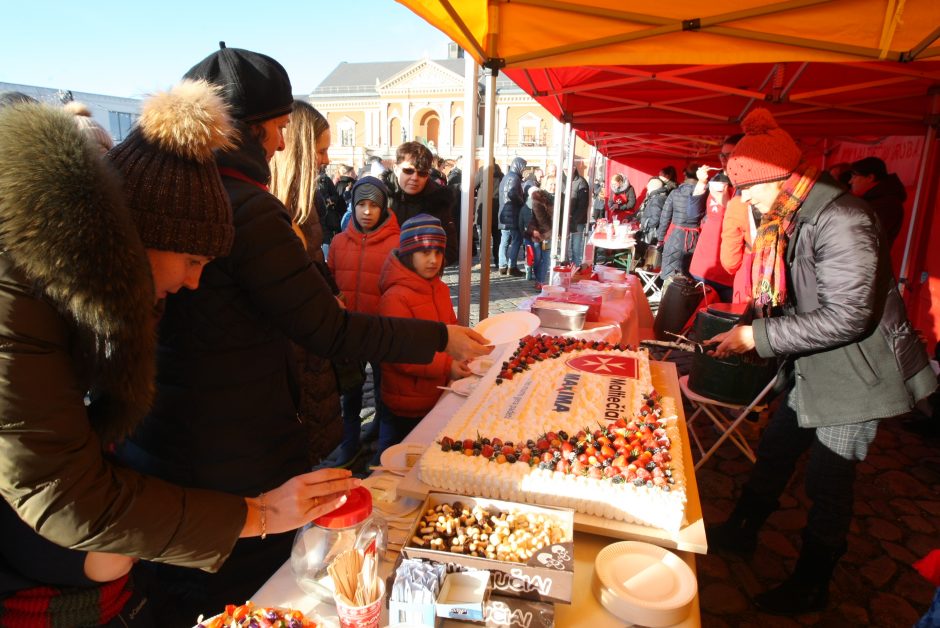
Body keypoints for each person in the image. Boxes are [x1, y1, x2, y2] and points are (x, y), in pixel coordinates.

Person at [116, 44, 490, 622]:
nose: (284, 143)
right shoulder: (246, 208)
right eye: (278, 128)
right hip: (228, 447)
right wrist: (439, 337)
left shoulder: (169, 192)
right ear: (251, 128)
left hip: (163, 437)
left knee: (182, 586)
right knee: (240, 600)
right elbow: (328, 328)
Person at [0, 81, 357, 626]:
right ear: (138, 237)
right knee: (105, 559)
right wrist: (259, 513)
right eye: (191, 259)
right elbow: (61, 494)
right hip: (39, 540)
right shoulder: (18, 299)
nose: (194, 282)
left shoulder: (85, 288)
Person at [707, 108, 935, 615]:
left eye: (746, 187)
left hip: (857, 373)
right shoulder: (790, 215)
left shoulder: (845, 218)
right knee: (775, 451)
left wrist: (757, 337)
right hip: (811, 365)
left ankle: (813, 583)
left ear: (777, 178)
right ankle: (741, 532)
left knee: (828, 482)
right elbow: (787, 292)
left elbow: (849, 316)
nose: (742, 198)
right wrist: (747, 322)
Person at [269, 100, 344, 467]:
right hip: (287, 375)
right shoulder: (268, 213)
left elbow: (316, 264)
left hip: (312, 360)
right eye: (321, 150)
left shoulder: (303, 206)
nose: (326, 160)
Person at [377, 215, 471, 456]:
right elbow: (402, 354)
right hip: (407, 402)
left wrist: (464, 350)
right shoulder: (395, 296)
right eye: (425, 252)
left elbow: (451, 328)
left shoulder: (439, 288)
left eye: (438, 253)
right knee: (397, 457)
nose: (433, 260)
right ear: (409, 254)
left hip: (435, 395)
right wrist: (446, 366)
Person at [326, 176, 400, 467]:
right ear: (353, 206)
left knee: (384, 388)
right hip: (349, 330)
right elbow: (330, 281)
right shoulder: (338, 242)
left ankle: (381, 435)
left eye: (373, 206)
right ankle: (350, 441)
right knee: (351, 392)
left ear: (383, 208)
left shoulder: (396, 243)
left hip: (381, 331)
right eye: (361, 205)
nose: (367, 211)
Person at [385, 141, 459, 266]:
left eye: (422, 173)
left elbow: (450, 249)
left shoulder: (439, 201)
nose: (415, 177)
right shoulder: (380, 196)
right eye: (409, 171)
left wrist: (426, 267)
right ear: (396, 168)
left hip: (420, 281)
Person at [689, 171, 735, 302]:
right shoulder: (714, 194)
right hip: (711, 268)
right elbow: (692, 213)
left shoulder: (739, 194)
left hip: (718, 268)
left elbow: (692, 214)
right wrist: (702, 183)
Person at [657, 163, 704, 280]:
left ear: (685, 175)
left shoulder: (675, 192)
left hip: (675, 236)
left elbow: (665, 217)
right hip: (695, 239)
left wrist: (660, 238)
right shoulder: (705, 194)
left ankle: (667, 296)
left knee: (669, 274)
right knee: (688, 276)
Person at [848, 156, 907, 249]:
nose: (850, 181)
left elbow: (860, 237)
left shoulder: (887, 205)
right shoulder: (872, 201)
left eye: (854, 176)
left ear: (870, 178)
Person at [498, 156, 527, 276]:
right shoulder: (514, 178)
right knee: (516, 240)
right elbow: (512, 193)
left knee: (504, 241)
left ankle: (502, 265)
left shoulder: (507, 177)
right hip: (512, 215)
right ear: (518, 166)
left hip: (505, 215)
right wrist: (522, 201)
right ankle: (512, 266)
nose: (524, 170)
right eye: (523, 168)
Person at [474, 163, 503, 269]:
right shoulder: (500, 174)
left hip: (484, 209)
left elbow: (473, 186)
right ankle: (497, 260)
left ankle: (483, 261)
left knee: (483, 238)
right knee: (497, 237)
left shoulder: (482, 171)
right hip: (497, 209)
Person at [526, 187, 554, 286]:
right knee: (539, 257)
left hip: (545, 233)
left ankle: (540, 280)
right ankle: (539, 279)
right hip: (541, 233)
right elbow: (534, 219)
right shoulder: (538, 200)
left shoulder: (536, 201)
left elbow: (541, 219)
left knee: (544, 257)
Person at [567, 160, 591, 267]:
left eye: (568, 169)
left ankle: (576, 268)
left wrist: (574, 219)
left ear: (574, 169)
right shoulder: (564, 180)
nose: (566, 171)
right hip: (567, 219)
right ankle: (568, 268)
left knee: (576, 247)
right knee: (566, 247)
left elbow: (583, 205)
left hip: (577, 220)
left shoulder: (581, 182)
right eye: (564, 169)